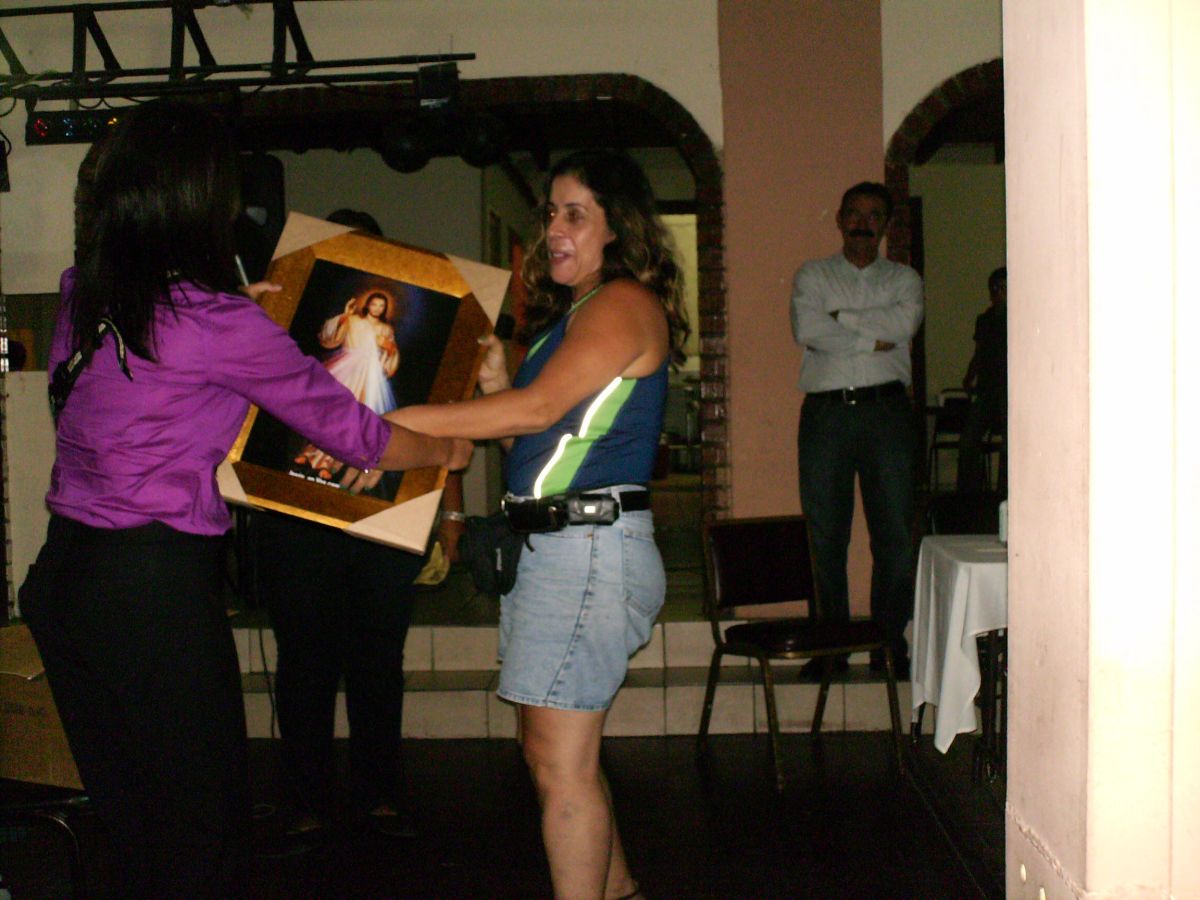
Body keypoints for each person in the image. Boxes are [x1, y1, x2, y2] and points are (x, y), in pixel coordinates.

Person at [17, 103, 471, 897]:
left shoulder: (84, 294)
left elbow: (149, 380)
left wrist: (240, 310)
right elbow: (357, 437)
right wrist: (445, 449)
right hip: (149, 588)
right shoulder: (218, 321)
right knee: (204, 825)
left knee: (134, 819)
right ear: (199, 200)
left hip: (63, 581)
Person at [386, 149, 687, 900]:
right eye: (551, 212)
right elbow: (538, 447)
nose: (554, 228)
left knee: (559, 765)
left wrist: (383, 423)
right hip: (563, 546)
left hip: (587, 549)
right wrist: (499, 384)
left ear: (617, 228)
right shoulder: (574, 319)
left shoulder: (620, 302)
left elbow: (537, 410)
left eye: (575, 214)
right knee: (558, 756)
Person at [254, 208, 465, 849]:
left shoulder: (391, 333)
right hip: (298, 518)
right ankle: (306, 800)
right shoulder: (289, 317)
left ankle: (380, 795)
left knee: (378, 660)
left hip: (385, 519)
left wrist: (451, 514)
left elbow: (441, 417)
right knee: (304, 660)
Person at [789, 181, 924, 679]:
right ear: (840, 219)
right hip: (827, 416)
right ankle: (832, 647)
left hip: (888, 414)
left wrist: (841, 319)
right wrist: (871, 339)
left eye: (874, 215)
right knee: (825, 536)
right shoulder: (813, 274)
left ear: (886, 224)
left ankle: (888, 644)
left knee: (897, 536)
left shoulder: (904, 279)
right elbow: (808, 330)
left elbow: (903, 327)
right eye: (855, 213)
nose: (863, 223)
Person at [957, 266, 1007, 495]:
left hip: (1009, 392)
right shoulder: (985, 320)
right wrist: (969, 377)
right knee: (968, 440)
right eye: (996, 289)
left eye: (1002, 288)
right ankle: (969, 495)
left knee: (1010, 444)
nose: (999, 293)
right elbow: (979, 353)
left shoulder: (1018, 317)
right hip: (987, 389)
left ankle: (1005, 494)